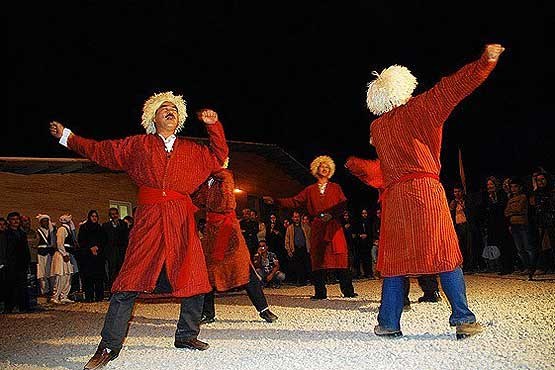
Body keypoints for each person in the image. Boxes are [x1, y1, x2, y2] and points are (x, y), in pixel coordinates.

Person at [49, 91, 229, 370]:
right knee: (129, 279)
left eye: (174, 108)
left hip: (182, 217)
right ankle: (109, 346)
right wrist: (67, 137)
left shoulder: (193, 151)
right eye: (163, 108)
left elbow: (219, 157)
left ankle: (186, 336)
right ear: (152, 117)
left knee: (195, 276)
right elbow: (101, 151)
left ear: (179, 118)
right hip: (149, 218)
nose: (170, 111)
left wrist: (213, 127)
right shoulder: (137, 145)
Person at [346, 44, 505, 339]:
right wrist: (485, 62)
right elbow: (452, 87)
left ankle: (389, 323)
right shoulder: (420, 109)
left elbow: (381, 172)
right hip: (424, 192)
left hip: (395, 199)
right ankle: (463, 318)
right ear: (404, 86)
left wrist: (356, 166)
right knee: (444, 253)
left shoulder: (378, 128)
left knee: (395, 260)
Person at [191, 167, 278, 324]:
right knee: (207, 273)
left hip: (227, 228)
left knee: (243, 268)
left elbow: (227, 203)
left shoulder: (225, 177)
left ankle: (264, 309)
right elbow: (198, 201)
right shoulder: (206, 182)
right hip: (212, 231)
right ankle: (208, 313)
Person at [265, 155, 357, 300]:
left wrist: (332, 215)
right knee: (318, 259)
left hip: (334, 227)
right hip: (318, 227)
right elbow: (294, 201)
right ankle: (320, 292)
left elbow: (342, 204)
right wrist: (277, 201)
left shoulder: (336, 187)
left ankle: (348, 291)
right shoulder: (309, 190)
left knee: (340, 257)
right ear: (316, 169)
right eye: (322, 166)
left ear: (330, 170)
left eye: (327, 167)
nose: (324, 169)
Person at [78, 210, 107, 302]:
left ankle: (99, 296)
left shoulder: (100, 228)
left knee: (98, 277)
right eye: (92, 216)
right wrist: (90, 248)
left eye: (96, 216)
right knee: (88, 277)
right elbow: (81, 241)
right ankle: (89, 297)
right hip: (87, 257)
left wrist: (97, 247)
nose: (94, 218)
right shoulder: (84, 228)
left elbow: (104, 240)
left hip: (98, 256)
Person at [50, 214, 78, 304]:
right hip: (62, 256)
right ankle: (55, 296)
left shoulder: (68, 230)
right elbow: (59, 243)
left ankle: (64, 296)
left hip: (68, 254)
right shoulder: (62, 229)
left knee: (67, 276)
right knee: (61, 276)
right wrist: (64, 254)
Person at [35, 214, 56, 296]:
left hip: (50, 254)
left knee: (52, 273)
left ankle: (53, 290)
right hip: (41, 254)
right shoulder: (38, 231)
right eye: (44, 221)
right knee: (42, 273)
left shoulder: (52, 230)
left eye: (47, 221)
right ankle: (44, 291)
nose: (46, 223)